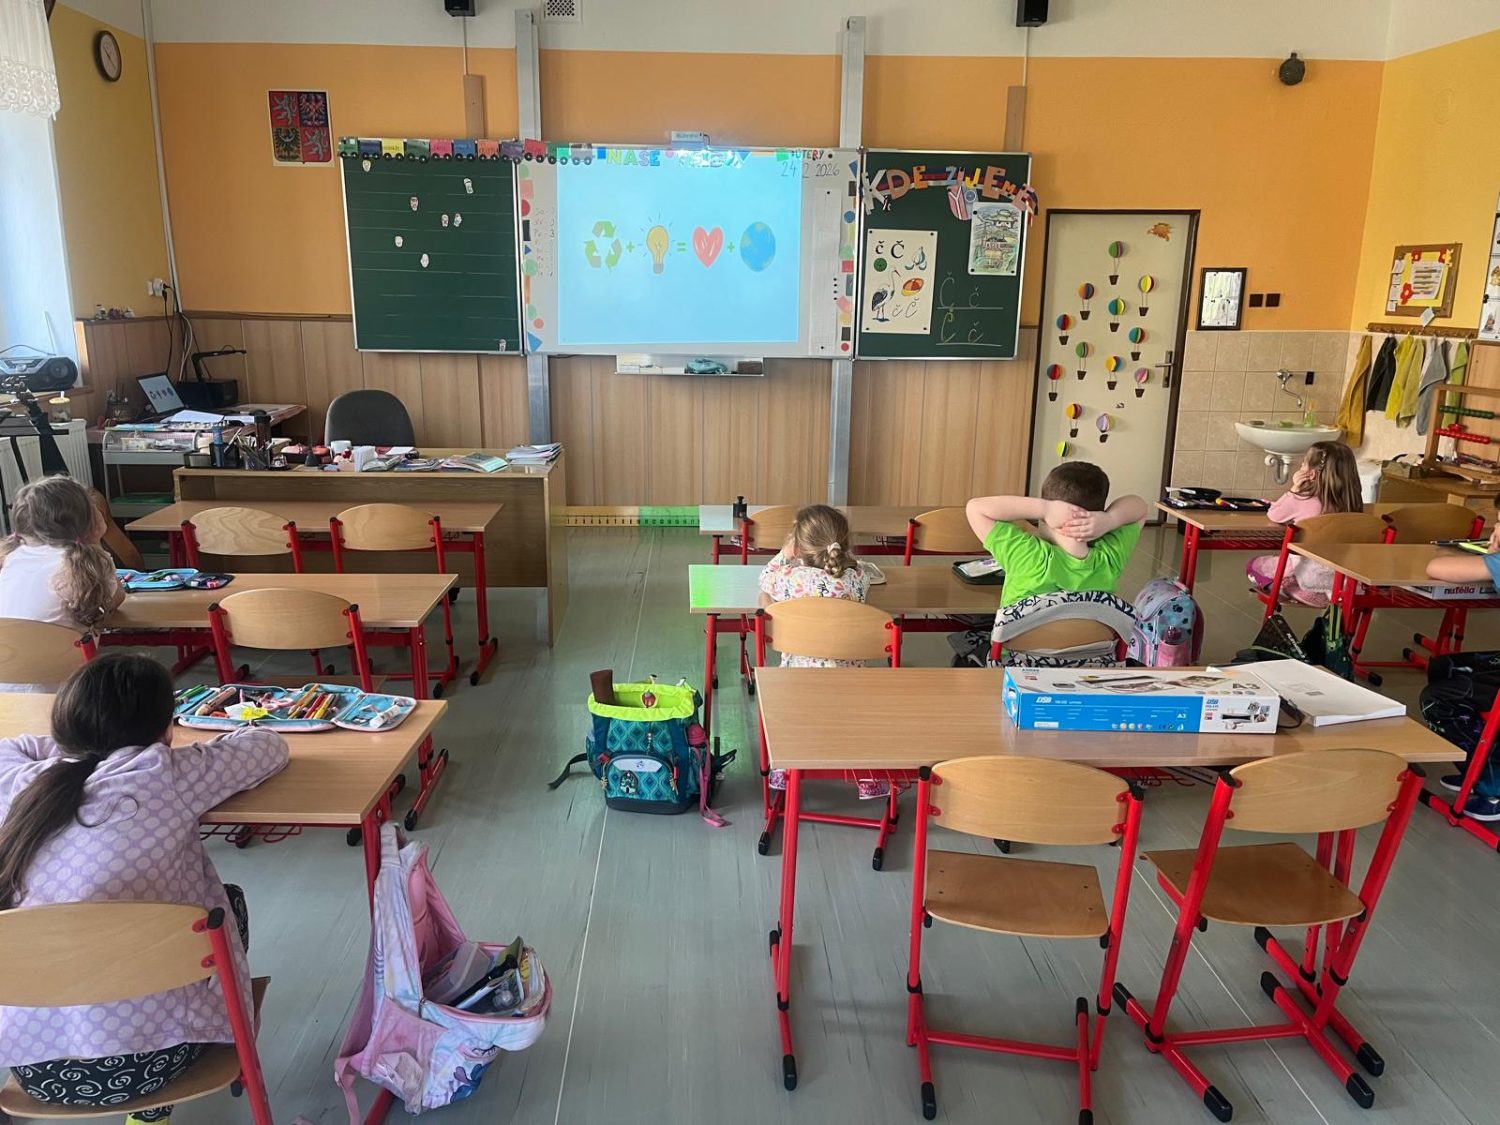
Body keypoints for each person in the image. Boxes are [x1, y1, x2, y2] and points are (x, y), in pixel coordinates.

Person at [0, 653, 288, 1122]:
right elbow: (267, 746)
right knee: (226, 906)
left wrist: (81, 751)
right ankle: (151, 1114)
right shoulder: (163, 774)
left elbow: (12, 746)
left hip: (35, 1068)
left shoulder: (20, 783)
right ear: (165, 730)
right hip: (154, 1062)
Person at [757, 504, 888, 797]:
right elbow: (860, 571)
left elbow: (765, 578)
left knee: (791, 711)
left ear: (797, 546)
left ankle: (784, 769)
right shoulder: (857, 579)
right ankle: (866, 774)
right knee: (856, 716)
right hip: (850, 684)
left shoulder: (790, 580)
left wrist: (784, 554)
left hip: (797, 684)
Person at [965, 461, 1147, 608]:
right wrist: (1110, 519)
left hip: (1020, 645)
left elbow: (975, 508)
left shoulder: (1025, 554)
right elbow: (1141, 508)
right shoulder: (1110, 557)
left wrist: (1045, 509)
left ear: (1046, 519)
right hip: (1092, 644)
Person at [1246, 440, 1363, 607]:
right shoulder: (1354, 506)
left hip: (1308, 574)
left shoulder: (1303, 499)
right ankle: (1321, 591)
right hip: (1343, 577)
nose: (1301, 466)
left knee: (1254, 565)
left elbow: (1274, 514)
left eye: (1304, 463)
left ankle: (1295, 588)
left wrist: (1294, 489)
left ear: (1312, 474)